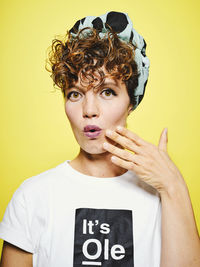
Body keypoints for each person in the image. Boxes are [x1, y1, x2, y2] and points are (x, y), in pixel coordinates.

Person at [0, 11, 200, 267]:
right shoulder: (33, 197)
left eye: (107, 91)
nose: (89, 109)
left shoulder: (162, 195)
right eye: (75, 94)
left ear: (131, 102)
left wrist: (173, 186)